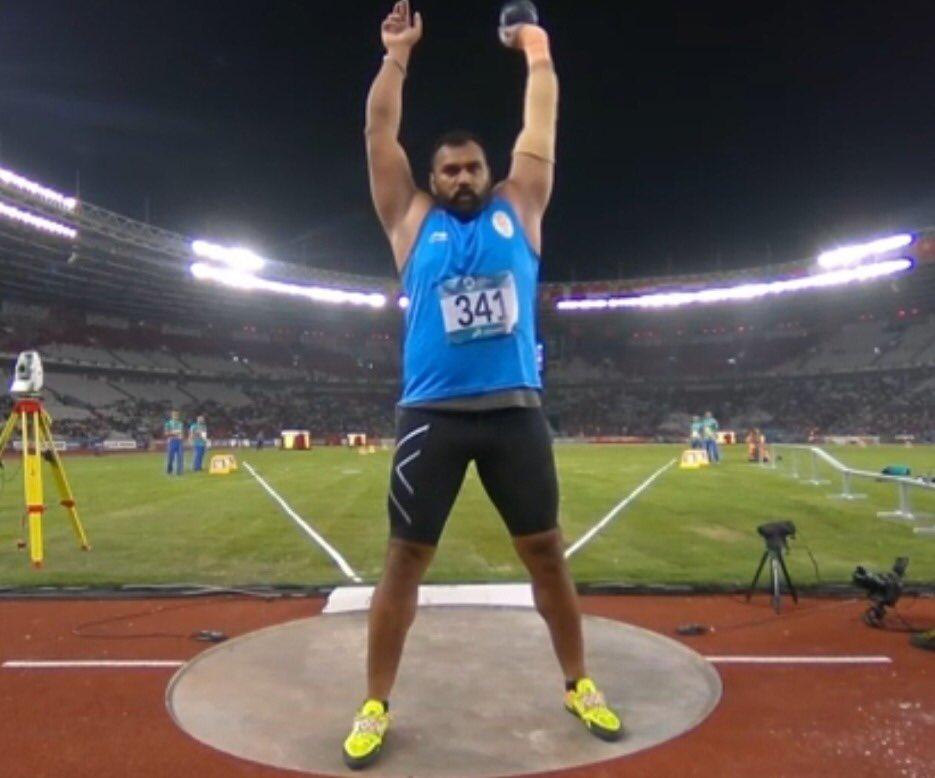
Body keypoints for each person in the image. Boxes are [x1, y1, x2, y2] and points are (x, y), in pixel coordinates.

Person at [343, 2, 622, 770]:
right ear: (430, 179)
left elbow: (543, 124)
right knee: (403, 559)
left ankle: (578, 683)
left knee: (545, 553)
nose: (462, 177)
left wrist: (536, 52)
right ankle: (374, 702)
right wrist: (396, 57)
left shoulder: (519, 207)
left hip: (513, 415)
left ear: (488, 170)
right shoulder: (409, 219)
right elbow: (377, 134)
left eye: (472, 167)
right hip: (430, 416)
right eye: (448, 170)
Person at [164, 410, 184, 475]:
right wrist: (174, 433)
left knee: (180, 456)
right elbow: (166, 433)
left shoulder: (180, 423)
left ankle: (179, 471)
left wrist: (181, 435)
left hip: (179, 441)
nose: (176, 416)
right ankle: (169, 470)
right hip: (171, 441)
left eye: (177, 415)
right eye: (175, 415)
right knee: (170, 457)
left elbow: (181, 432)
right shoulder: (168, 423)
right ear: (172, 416)